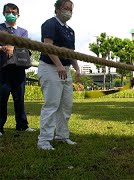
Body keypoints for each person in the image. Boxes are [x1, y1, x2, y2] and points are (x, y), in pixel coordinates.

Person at [37, 0, 80, 150]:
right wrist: (59, 65)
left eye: (70, 9)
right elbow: (48, 46)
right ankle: (44, 140)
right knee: (52, 104)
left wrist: (77, 68)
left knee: (66, 105)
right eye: (65, 8)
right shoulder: (50, 24)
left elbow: (71, 52)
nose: (68, 11)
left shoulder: (70, 31)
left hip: (65, 69)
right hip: (50, 67)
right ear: (57, 9)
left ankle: (62, 135)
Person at [0, 3, 35, 136]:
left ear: (18, 15)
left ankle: (22, 125)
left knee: (19, 98)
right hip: (3, 69)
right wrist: (2, 48)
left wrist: (12, 46)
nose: (11, 14)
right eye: (8, 12)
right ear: (4, 13)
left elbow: (23, 44)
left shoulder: (23, 31)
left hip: (19, 69)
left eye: (14, 12)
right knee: (2, 98)